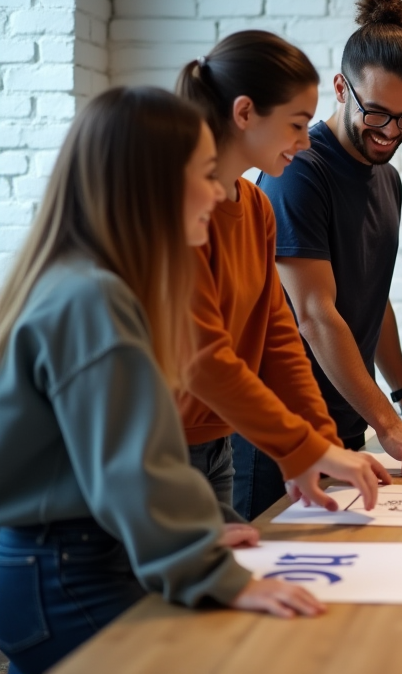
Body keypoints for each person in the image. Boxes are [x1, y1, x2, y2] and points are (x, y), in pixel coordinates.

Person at [0, 88, 324, 674]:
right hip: (63, 568)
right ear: (149, 186)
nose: (220, 191)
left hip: (82, 553)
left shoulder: (91, 283)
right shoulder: (91, 299)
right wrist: (206, 568)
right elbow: (133, 467)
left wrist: (204, 532)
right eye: (205, 174)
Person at [253, 0, 402, 521]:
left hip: (344, 419)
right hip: (280, 431)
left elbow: (370, 300)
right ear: (342, 88)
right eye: (378, 113)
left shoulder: (385, 179)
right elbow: (317, 316)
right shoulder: (299, 173)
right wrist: (388, 423)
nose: (391, 132)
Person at [175, 31, 391, 520]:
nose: (304, 139)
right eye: (296, 124)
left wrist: (323, 442)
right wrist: (302, 447)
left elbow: (278, 337)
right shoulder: (182, 208)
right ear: (245, 113)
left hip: (217, 445)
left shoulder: (255, 207)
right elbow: (204, 356)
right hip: (161, 446)